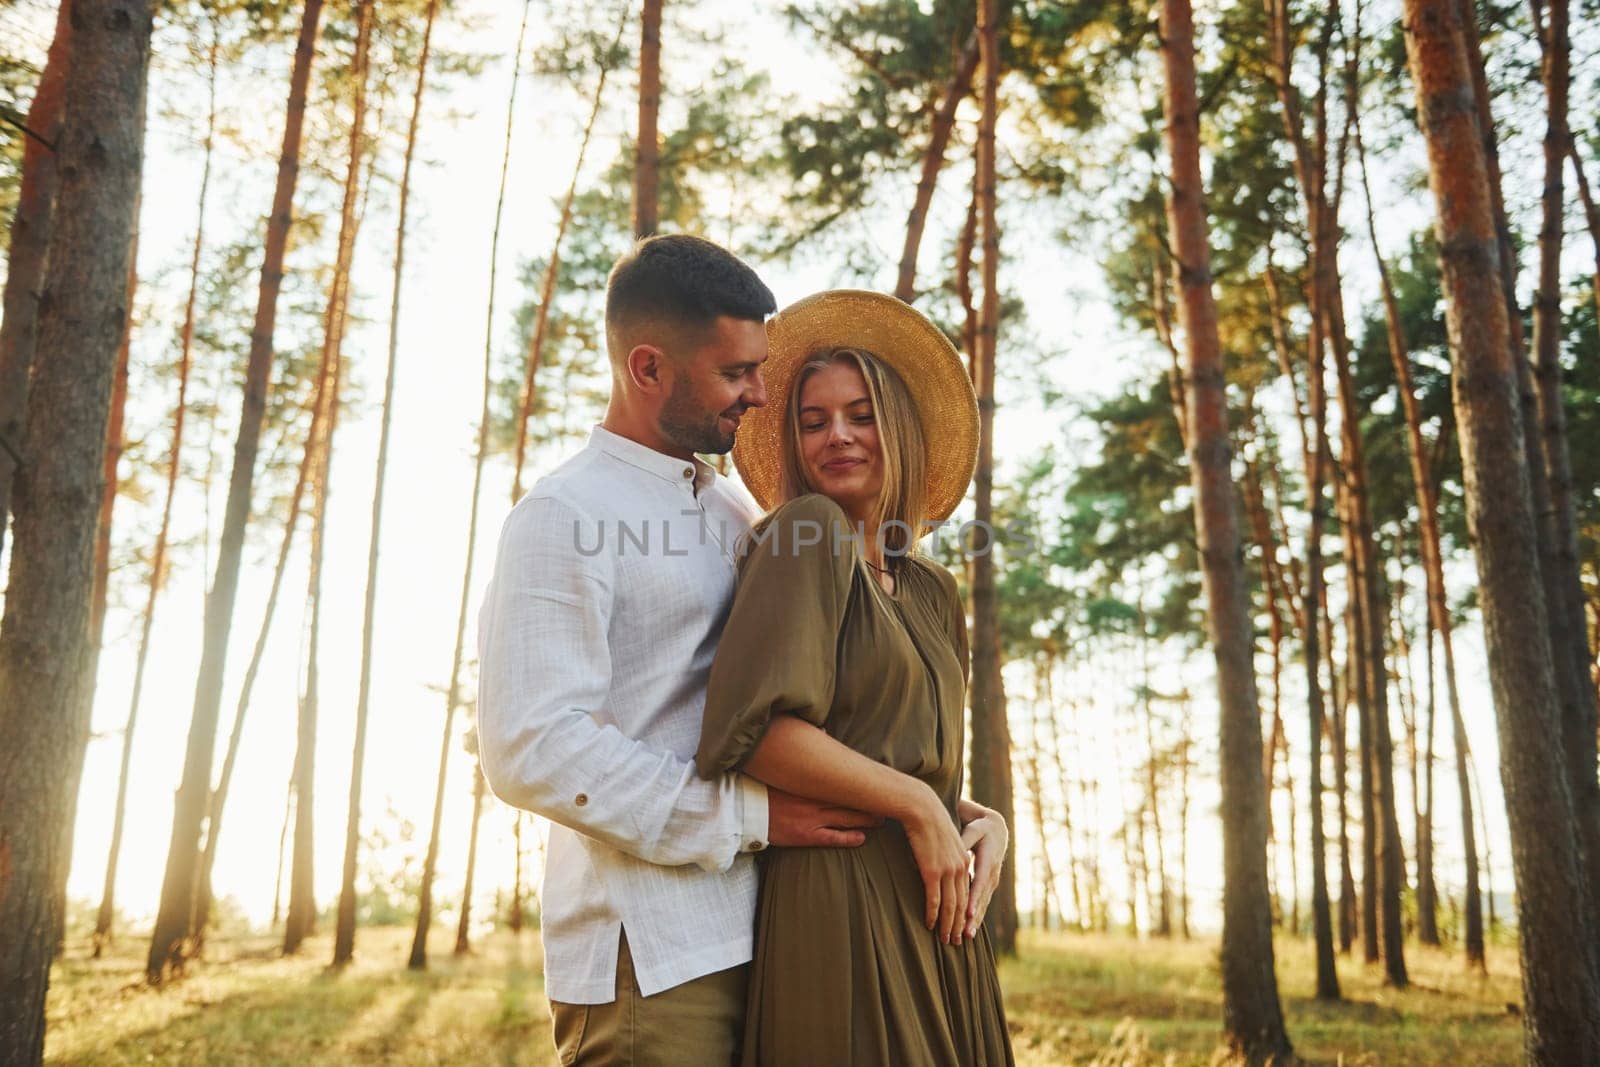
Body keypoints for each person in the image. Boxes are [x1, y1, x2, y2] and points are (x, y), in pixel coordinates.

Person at [476, 239, 1005, 1065]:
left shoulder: (730, 512)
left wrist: (956, 809)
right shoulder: (564, 514)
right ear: (649, 369)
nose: (762, 394)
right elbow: (531, 748)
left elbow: (836, 712)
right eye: (737, 374)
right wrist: (749, 817)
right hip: (653, 954)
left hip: (774, 927)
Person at [696, 289, 1016, 1065]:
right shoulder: (808, 534)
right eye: (813, 420)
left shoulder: (935, 589)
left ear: (898, 425)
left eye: (860, 413)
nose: (837, 434)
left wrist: (980, 817)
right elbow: (759, 735)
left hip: (941, 914)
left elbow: (901, 751)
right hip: (840, 900)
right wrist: (914, 805)